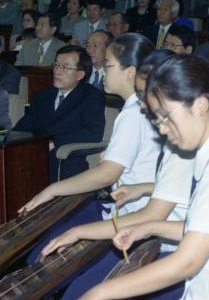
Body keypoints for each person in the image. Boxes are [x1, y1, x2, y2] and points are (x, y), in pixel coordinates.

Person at [84, 54, 209, 300]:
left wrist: (99, 293)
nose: (163, 129)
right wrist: (150, 227)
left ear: (200, 105)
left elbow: (186, 262)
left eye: (165, 117)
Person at [41, 49, 190, 300]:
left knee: (87, 291)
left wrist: (80, 232)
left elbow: (178, 227)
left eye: (145, 96)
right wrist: (144, 187)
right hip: (160, 236)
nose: (141, 104)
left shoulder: (190, 144)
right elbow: (184, 189)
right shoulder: (181, 138)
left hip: (183, 256)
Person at [20, 34, 159, 269]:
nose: (102, 71)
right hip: (122, 207)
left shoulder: (135, 113)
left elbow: (107, 175)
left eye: (108, 65)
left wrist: (53, 189)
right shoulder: (138, 107)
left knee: (44, 257)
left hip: (134, 214)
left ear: (130, 72)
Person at [14, 45, 105, 182]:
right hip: (34, 155)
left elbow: (93, 132)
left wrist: (54, 142)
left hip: (65, 159)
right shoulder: (42, 95)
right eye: (56, 65)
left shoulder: (90, 96)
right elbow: (24, 126)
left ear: (80, 74)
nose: (57, 71)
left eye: (66, 67)